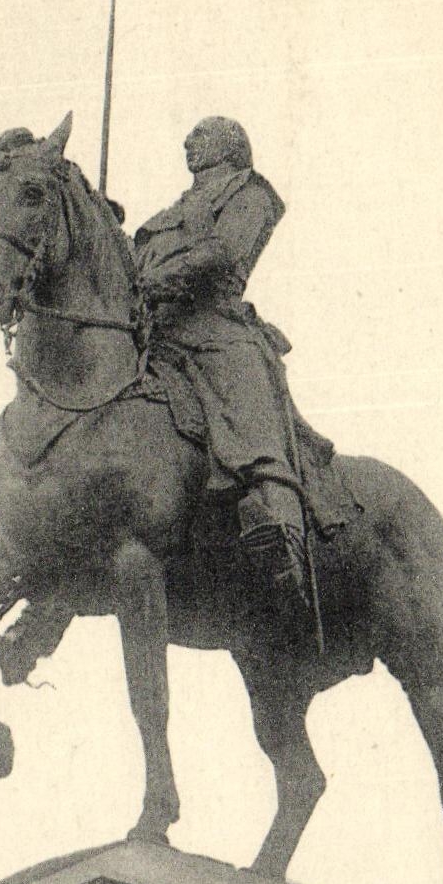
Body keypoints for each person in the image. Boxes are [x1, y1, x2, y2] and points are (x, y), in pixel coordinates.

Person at [134, 116, 308, 604]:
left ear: (230, 146)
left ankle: (282, 527)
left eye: (201, 136)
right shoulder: (176, 209)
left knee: (245, 397)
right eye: (189, 138)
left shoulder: (252, 193)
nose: (189, 143)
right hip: (155, 330)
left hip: (214, 324)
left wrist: (153, 282)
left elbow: (222, 256)